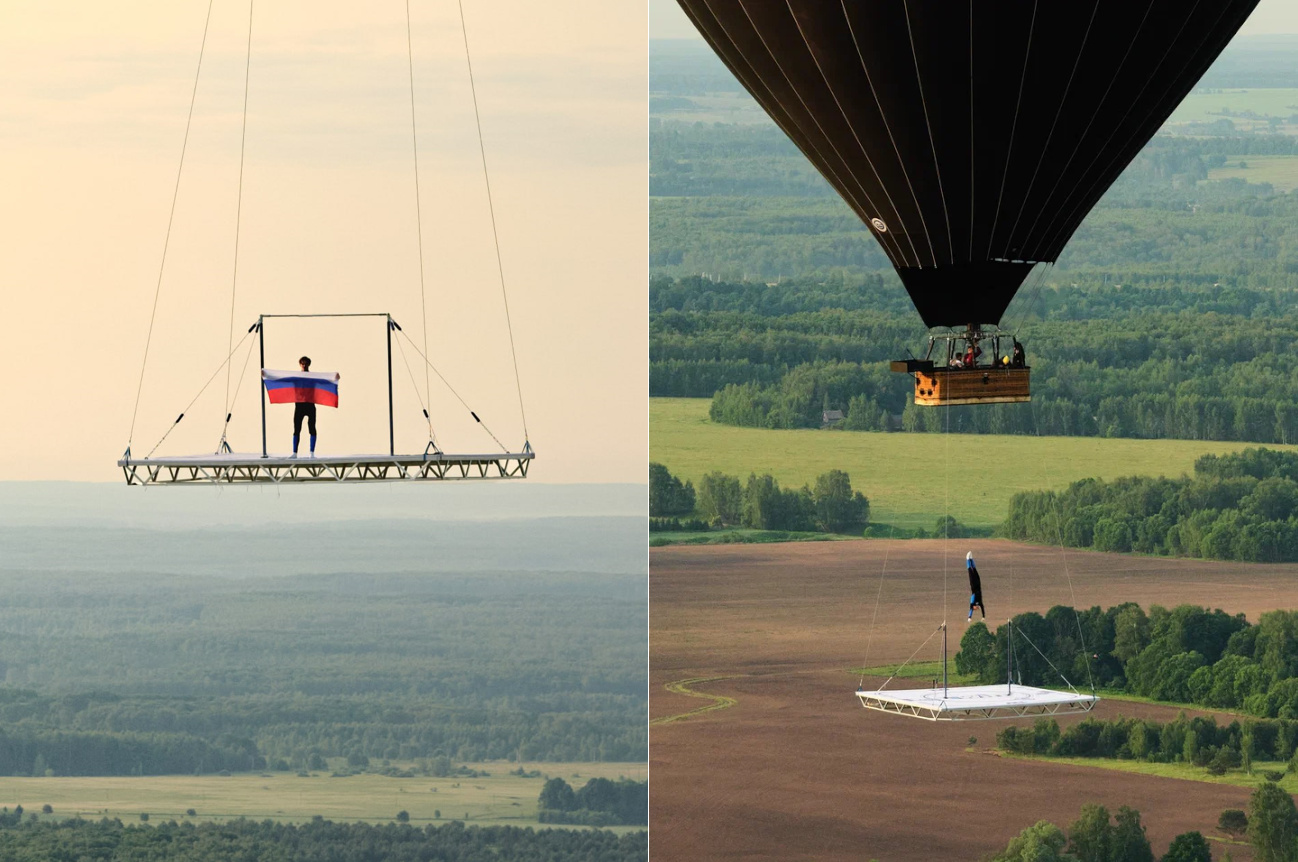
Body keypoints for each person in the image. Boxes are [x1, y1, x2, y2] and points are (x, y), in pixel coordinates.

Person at [966, 551, 985, 621]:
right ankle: (971, 559)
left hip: (973, 585)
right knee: (975, 571)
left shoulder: (972, 603)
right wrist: (983, 616)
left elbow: (970, 610)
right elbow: (983, 608)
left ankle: (967, 560)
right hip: (978, 584)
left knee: (970, 571)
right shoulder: (980, 603)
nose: (976, 609)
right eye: (977, 608)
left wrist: (969, 617)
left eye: (975, 609)